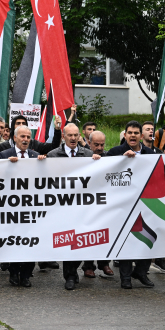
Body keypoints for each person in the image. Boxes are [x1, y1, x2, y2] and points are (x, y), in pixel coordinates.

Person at [106, 121, 163, 289]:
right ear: (125, 135)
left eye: (136, 133)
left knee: (149, 237)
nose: (132, 135)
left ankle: (141, 271)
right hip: (123, 204)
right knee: (126, 240)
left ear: (142, 135)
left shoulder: (150, 153)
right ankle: (125, 277)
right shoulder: (115, 152)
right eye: (129, 132)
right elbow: (105, 173)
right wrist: (120, 161)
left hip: (146, 203)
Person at [47, 123, 101, 290]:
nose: (72, 138)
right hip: (62, 207)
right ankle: (70, 276)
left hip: (83, 207)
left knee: (81, 241)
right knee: (68, 241)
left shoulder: (89, 154)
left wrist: (98, 163)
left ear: (79, 137)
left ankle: (73, 270)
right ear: (63, 136)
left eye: (75, 135)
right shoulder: (53, 155)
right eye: (69, 135)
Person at [0, 125, 46, 287]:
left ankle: (26, 275)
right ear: (15, 138)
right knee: (14, 240)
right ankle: (13, 272)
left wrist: (43, 164)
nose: (26, 139)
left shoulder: (36, 155)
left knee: (30, 241)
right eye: (22, 137)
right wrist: (6, 165)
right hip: (11, 208)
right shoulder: (4, 155)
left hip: (31, 207)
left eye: (28, 137)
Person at [139, 121, 165, 275]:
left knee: (158, 227)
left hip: (154, 196)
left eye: (152, 129)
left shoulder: (160, 152)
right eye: (147, 129)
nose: (150, 132)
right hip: (137, 196)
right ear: (142, 134)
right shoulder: (135, 150)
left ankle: (159, 260)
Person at [79, 130, 114, 278]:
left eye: (102, 144)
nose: (100, 148)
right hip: (87, 203)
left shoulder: (109, 157)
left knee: (106, 233)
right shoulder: (82, 157)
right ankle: (88, 265)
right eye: (96, 144)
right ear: (89, 142)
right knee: (89, 235)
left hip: (105, 202)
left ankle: (104, 263)